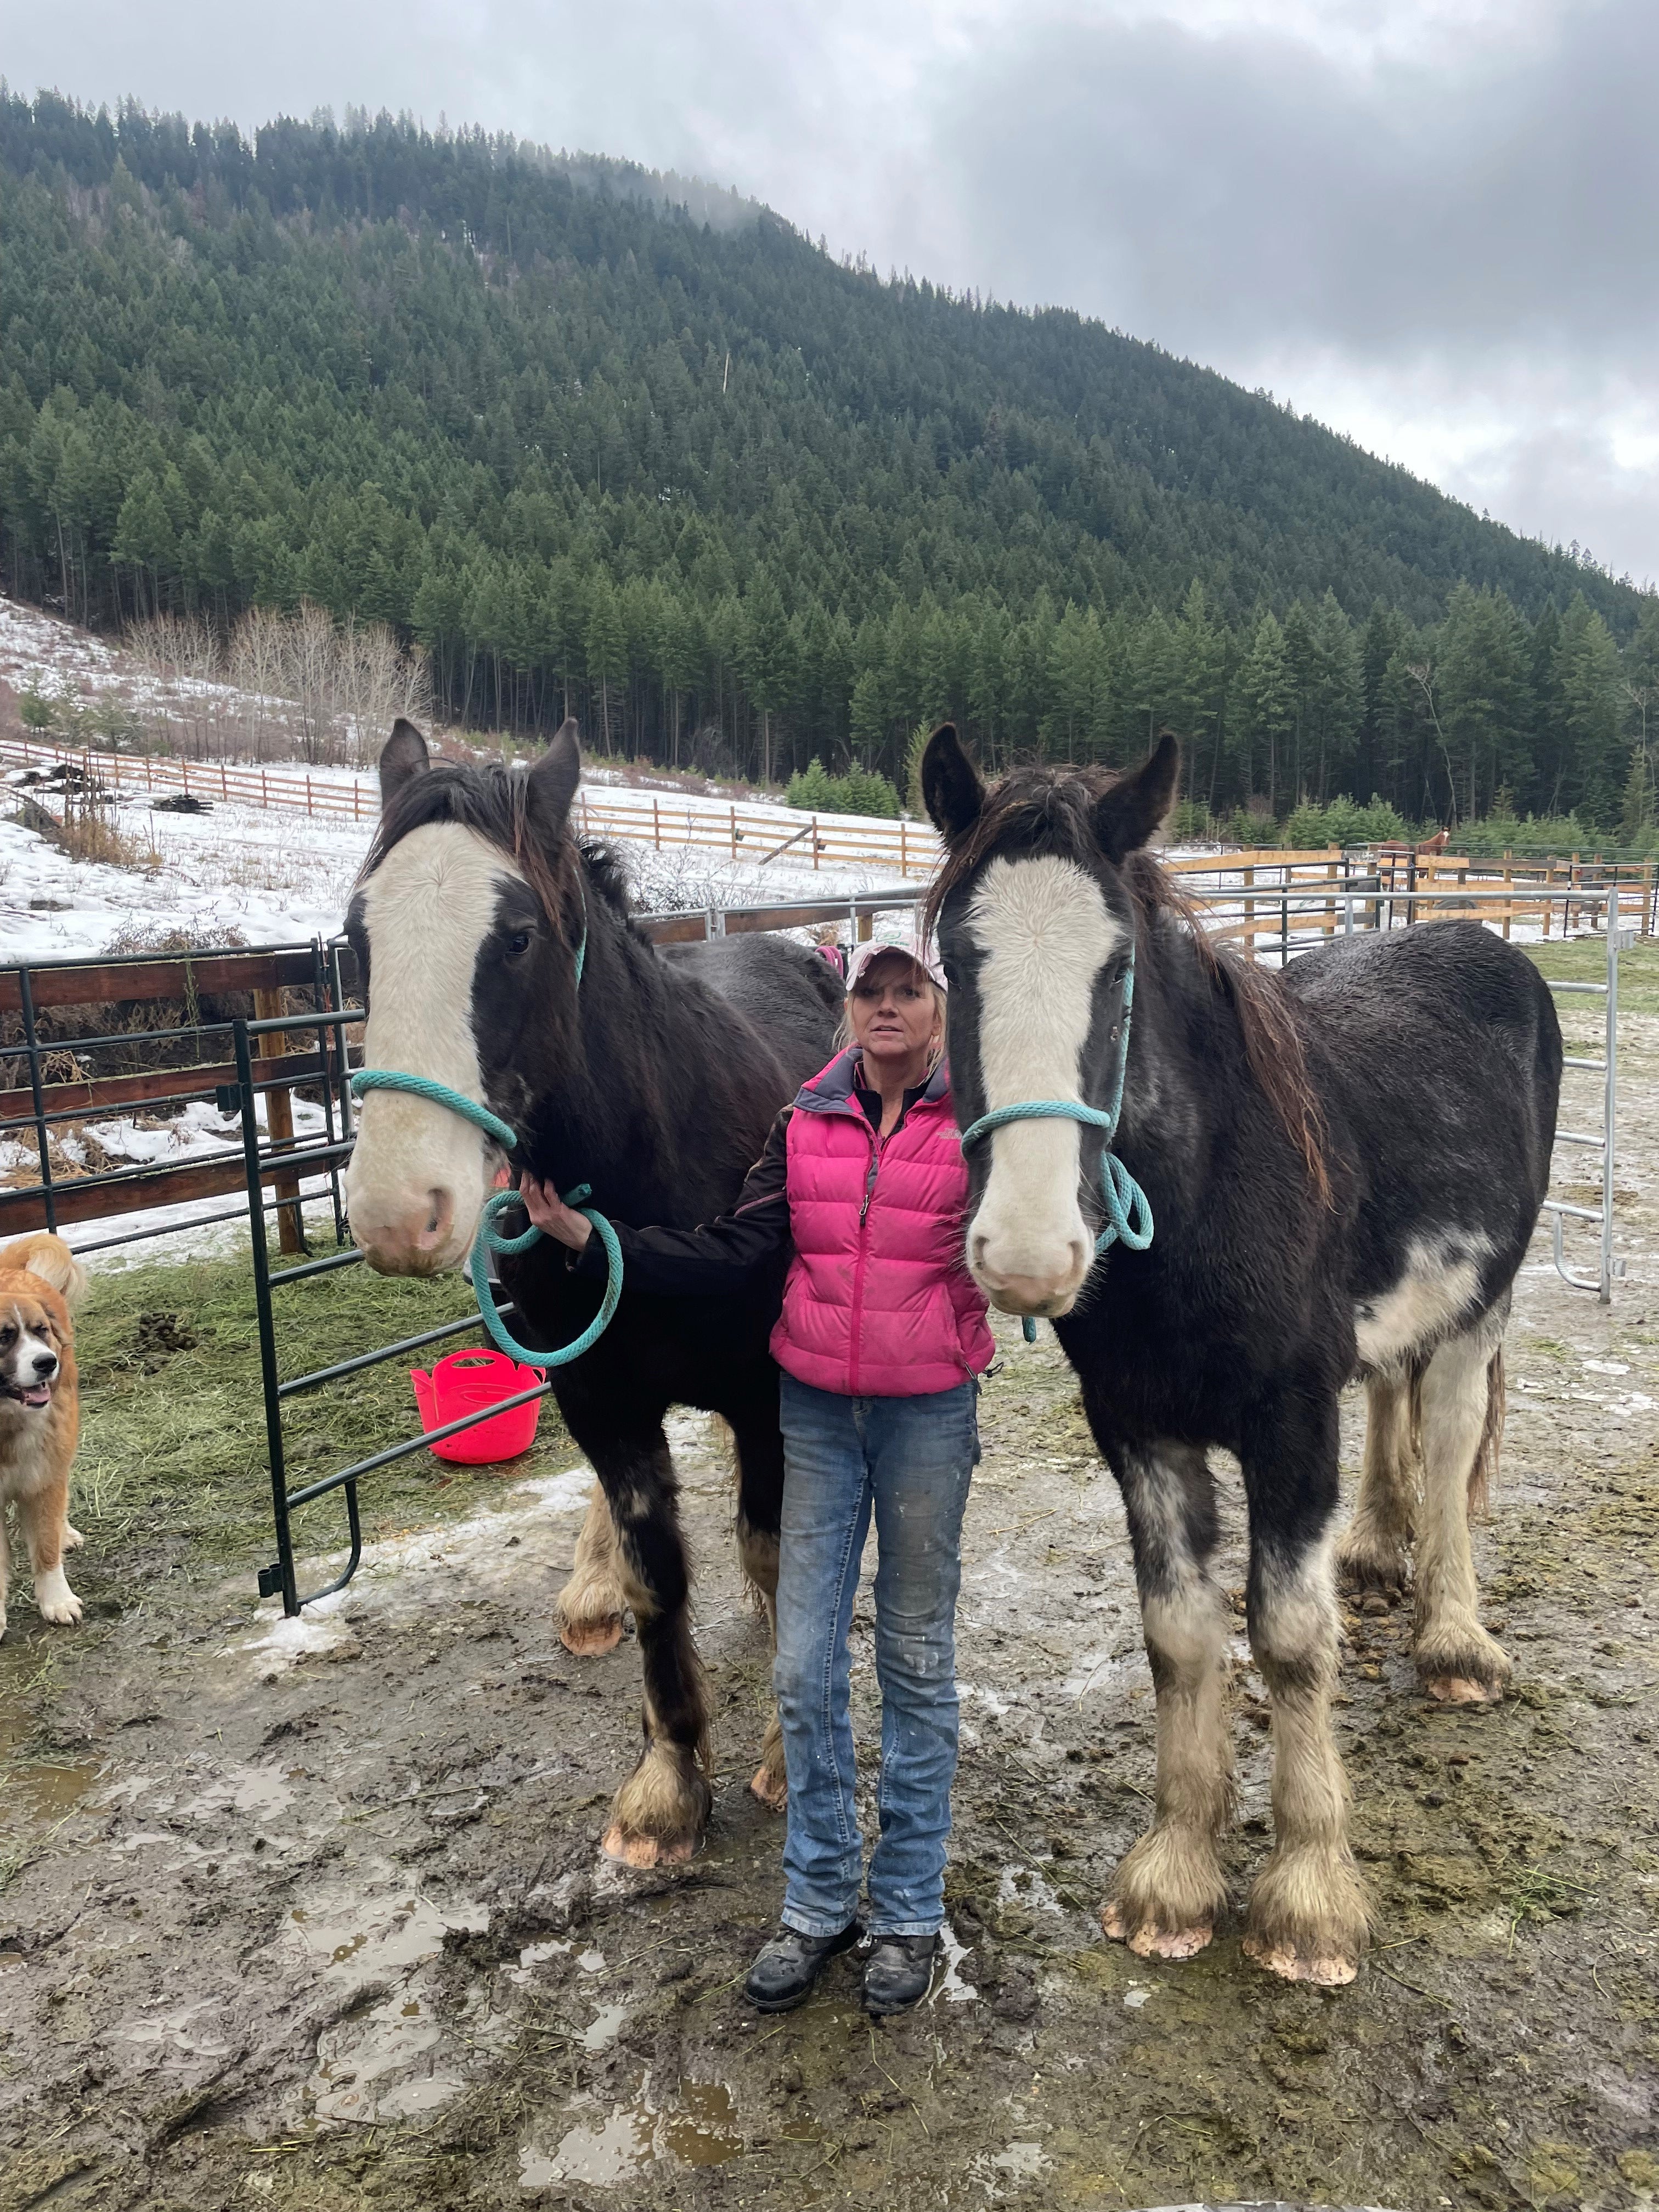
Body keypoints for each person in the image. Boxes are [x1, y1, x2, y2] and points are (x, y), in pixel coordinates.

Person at [522, 938, 994, 2015]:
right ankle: (820, 1902)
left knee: (917, 1663)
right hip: (818, 1416)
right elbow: (736, 1253)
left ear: (934, 1011)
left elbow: (1037, 1227)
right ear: (850, 1008)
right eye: (868, 991)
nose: (884, 1007)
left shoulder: (977, 1129)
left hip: (926, 1416)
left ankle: (908, 1909)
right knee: (805, 1670)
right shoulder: (803, 1124)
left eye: (904, 991)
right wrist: (592, 1240)